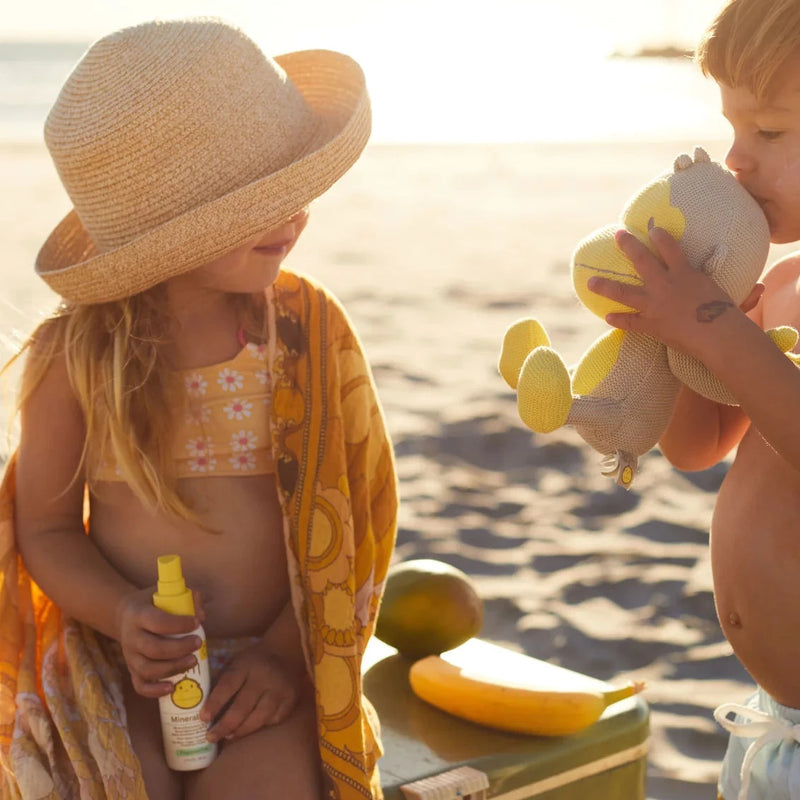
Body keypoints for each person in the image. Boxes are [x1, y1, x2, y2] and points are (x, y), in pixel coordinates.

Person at [0, 18, 397, 800]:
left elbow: (360, 511)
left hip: (271, 656)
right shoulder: (75, 359)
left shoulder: (303, 335)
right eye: (263, 195)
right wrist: (122, 615)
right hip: (124, 655)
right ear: (166, 227)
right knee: (120, 781)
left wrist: (285, 652)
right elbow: (42, 528)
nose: (298, 212)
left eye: (297, 184)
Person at [586, 1, 800, 797]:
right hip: (771, 715)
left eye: (770, 133)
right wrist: (669, 329)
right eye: (733, 130)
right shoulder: (778, 286)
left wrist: (712, 327)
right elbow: (697, 445)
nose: (737, 160)